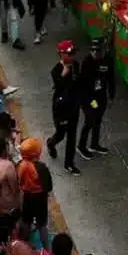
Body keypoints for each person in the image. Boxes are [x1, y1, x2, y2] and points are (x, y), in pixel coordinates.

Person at [46, 40, 82, 175]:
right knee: (61, 134)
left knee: (72, 136)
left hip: (74, 106)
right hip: (61, 109)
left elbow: (79, 83)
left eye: (73, 53)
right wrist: (64, 73)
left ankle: (69, 163)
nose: (72, 57)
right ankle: (51, 143)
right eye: (69, 54)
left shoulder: (76, 65)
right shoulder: (56, 70)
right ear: (61, 54)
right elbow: (58, 86)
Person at [77, 38, 114, 158]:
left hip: (101, 94)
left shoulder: (107, 60)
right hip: (88, 96)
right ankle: (81, 146)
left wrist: (111, 95)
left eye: (98, 51)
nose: (95, 53)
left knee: (98, 120)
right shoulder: (87, 62)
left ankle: (94, 144)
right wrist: (90, 101)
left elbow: (111, 78)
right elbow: (83, 84)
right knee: (89, 120)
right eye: (93, 50)